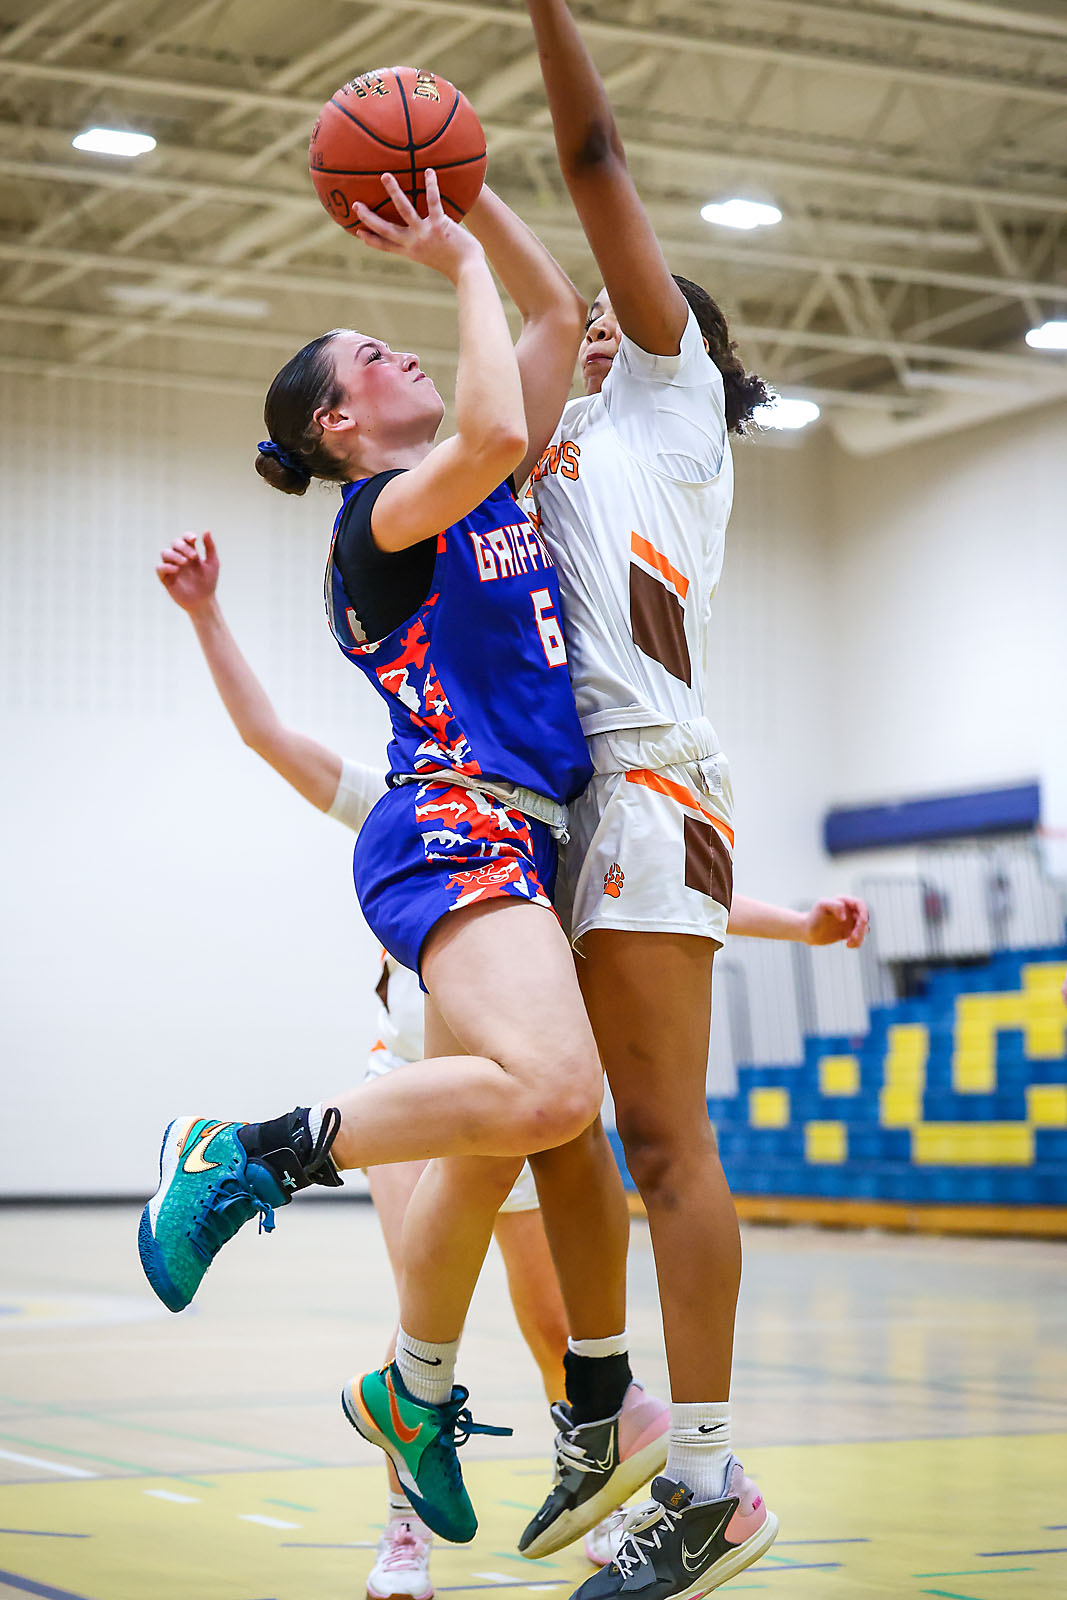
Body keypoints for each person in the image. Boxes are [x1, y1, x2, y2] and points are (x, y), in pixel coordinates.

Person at [155, 526, 868, 1587]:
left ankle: (595, 1473)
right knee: (419, 1305)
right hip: (411, 1088)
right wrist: (209, 615)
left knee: (559, 1321)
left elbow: (654, 892)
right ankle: (399, 1528)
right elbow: (266, 734)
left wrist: (797, 919)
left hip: (521, 1100)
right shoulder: (415, 787)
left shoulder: (543, 816)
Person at [139, 168, 664, 1554]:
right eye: (373, 358)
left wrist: (478, 205)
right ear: (337, 422)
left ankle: (412, 1388)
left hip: (530, 839)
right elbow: (496, 411)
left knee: (517, 1135)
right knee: (553, 1091)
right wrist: (448, 261)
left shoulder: (476, 486)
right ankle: (243, 1151)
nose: (404, 353)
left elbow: (555, 309)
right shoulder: (379, 522)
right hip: (452, 819)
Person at [508, 2, 840, 1593]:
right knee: (548, 1115)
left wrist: (543, 18)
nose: (593, 310)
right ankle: (603, 1412)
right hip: (572, 811)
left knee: (660, 1138)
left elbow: (592, 162)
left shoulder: (663, 401)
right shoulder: (555, 437)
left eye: (621, 304)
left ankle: (706, 1479)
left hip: (652, 782)